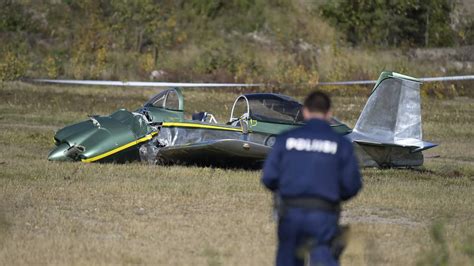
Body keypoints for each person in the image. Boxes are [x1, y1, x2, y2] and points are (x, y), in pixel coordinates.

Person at [261, 91, 362, 266]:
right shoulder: (342, 145)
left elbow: (269, 178)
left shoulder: (285, 139)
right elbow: (352, 185)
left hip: (290, 214)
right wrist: (334, 196)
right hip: (324, 215)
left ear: (305, 112)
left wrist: (286, 191)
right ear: (329, 114)